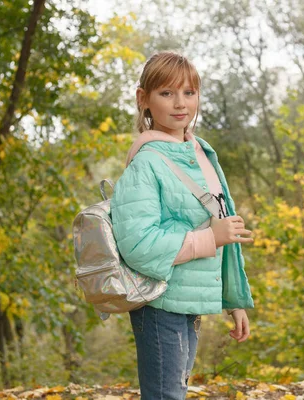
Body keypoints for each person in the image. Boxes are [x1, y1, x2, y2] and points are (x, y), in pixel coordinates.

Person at [110, 51, 255, 400]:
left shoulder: (200, 153)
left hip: (189, 301)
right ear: (143, 100)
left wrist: (234, 300)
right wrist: (209, 238)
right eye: (166, 93)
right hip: (160, 303)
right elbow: (138, 244)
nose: (180, 103)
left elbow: (224, 232)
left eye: (189, 93)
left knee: (174, 392)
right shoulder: (146, 163)